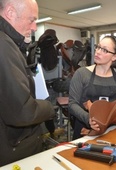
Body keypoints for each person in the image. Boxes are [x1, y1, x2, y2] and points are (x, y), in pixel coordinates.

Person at [0, 0, 55, 166]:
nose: (34, 28)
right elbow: (22, 112)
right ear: (10, 13)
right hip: (12, 148)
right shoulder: (4, 45)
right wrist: (49, 108)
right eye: (32, 20)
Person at [68, 35, 116, 140]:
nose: (98, 52)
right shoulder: (82, 74)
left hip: (112, 130)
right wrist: (88, 119)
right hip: (85, 130)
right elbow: (72, 104)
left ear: (114, 57)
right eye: (98, 47)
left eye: (104, 50)